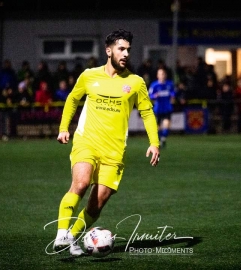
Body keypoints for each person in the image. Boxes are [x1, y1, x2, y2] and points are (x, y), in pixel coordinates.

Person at [53, 29, 160, 256]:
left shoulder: (136, 82)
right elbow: (72, 99)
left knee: (96, 203)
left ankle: (72, 237)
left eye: (128, 50)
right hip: (87, 141)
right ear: (108, 50)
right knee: (80, 183)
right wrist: (64, 128)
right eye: (121, 49)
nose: (125, 54)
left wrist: (154, 143)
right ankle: (61, 232)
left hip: (114, 151)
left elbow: (147, 113)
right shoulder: (89, 75)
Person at [148, 67, 176, 148]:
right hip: (158, 108)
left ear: (165, 75)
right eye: (160, 74)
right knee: (158, 127)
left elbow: (173, 93)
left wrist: (173, 97)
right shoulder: (154, 85)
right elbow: (150, 95)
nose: (162, 75)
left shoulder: (169, 84)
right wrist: (154, 96)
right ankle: (160, 139)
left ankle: (163, 139)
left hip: (167, 108)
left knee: (167, 125)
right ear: (157, 75)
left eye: (163, 74)